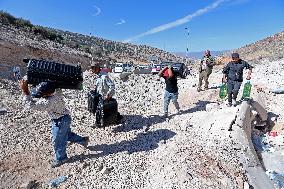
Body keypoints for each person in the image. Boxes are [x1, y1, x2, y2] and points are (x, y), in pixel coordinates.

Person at [19, 79, 89, 168]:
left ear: (48, 94)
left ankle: (61, 158)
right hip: (65, 118)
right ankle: (83, 140)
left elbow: (31, 105)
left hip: (60, 121)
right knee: (66, 134)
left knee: (58, 141)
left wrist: (25, 90)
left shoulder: (49, 102)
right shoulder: (57, 91)